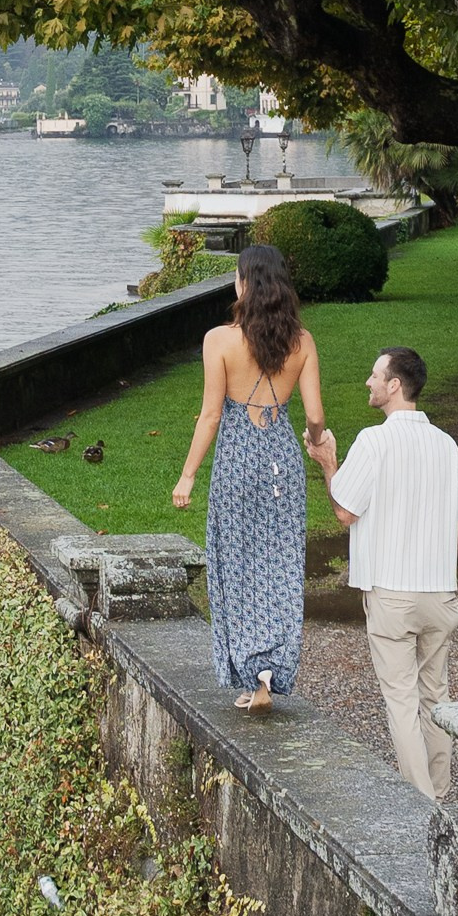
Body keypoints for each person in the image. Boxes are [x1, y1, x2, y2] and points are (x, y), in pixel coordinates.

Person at [170, 245, 334, 712]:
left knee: (237, 563)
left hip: (238, 462)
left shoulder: (218, 340)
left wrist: (187, 477)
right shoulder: (301, 341)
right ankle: (268, 677)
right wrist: (316, 438)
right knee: (280, 564)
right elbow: (316, 414)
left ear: (244, 284)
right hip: (282, 457)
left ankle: (250, 668)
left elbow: (210, 416)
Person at [329, 344, 458, 798]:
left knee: (402, 701)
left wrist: (327, 463)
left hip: (391, 594)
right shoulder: (445, 445)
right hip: (439, 593)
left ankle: (423, 803)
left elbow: (344, 512)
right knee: (436, 696)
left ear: (394, 386)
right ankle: (440, 787)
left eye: (375, 376)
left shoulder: (372, 442)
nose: (369, 382)